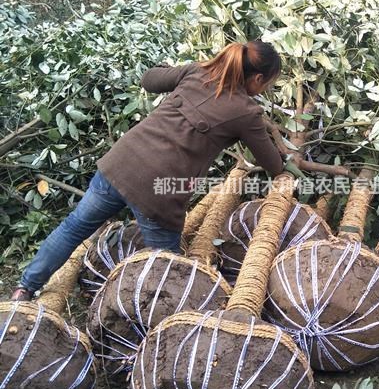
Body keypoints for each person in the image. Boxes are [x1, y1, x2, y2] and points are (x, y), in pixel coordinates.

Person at [11, 40, 285, 301]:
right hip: (157, 191)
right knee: (167, 268)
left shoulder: (197, 71)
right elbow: (272, 165)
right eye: (268, 84)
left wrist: (185, 70)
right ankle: (150, 329)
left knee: (74, 227)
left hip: (120, 163)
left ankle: (25, 288)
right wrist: (285, 162)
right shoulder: (246, 113)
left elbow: (149, 79)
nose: (264, 89)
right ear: (258, 78)